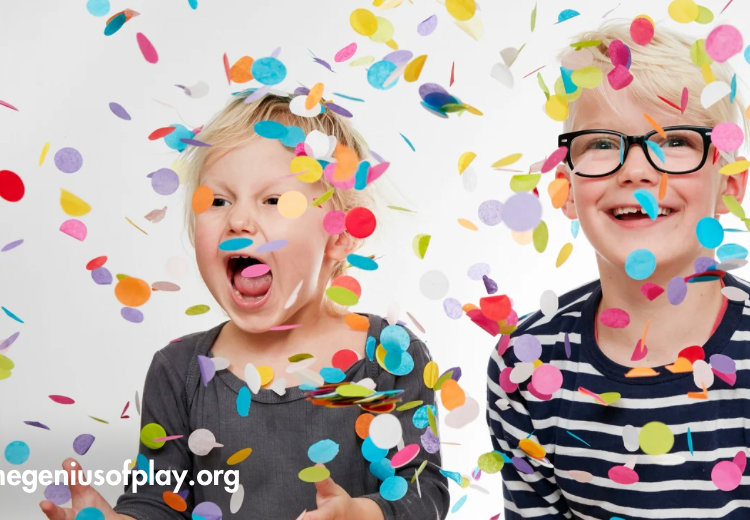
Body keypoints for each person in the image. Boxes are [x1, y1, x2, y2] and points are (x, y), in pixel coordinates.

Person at [485, 20, 750, 520]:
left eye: (674, 142)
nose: (638, 171)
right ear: (566, 188)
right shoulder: (525, 364)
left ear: (730, 184)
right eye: (602, 144)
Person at [39, 90, 448, 520]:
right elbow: (158, 504)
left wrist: (359, 515)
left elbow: (425, 495)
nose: (238, 220)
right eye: (218, 200)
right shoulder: (178, 372)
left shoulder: (390, 356)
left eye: (273, 200)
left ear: (341, 232)